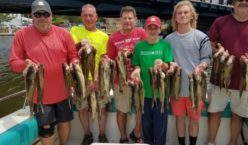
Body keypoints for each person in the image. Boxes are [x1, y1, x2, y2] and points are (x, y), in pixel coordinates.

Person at [9, 0, 79, 145]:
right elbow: (14, 64)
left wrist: (75, 64)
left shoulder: (64, 34)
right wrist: (25, 64)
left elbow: (73, 55)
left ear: (51, 15)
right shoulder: (21, 35)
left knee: (65, 122)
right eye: (38, 14)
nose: (42, 18)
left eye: (45, 14)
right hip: (39, 96)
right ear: (32, 16)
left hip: (64, 91)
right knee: (46, 130)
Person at [207, 0, 248, 145]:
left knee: (238, 115)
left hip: (246, 82)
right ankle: (211, 142)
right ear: (232, 2)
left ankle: (233, 142)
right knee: (214, 112)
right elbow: (210, 45)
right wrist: (218, 51)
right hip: (219, 78)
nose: (243, 2)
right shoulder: (220, 22)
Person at [165, 1, 212, 145]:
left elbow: (207, 58)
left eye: (186, 12)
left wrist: (201, 66)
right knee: (179, 118)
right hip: (176, 88)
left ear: (192, 15)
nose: (183, 15)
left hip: (196, 87)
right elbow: (166, 61)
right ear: (175, 17)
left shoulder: (201, 37)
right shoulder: (168, 40)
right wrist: (169, 65)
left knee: (194, 120)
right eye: (179, 13)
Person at [70, 4, 109, 144]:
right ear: (81, 16)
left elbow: (103, 58)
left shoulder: (104, 36)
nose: (88, 18)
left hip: (98, 79)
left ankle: (102, 135)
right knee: (83, 109)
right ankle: (87, 134)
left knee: (102, 109)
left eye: (91, 15)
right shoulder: (74, 30)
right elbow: (71, 51)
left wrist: (97, 79)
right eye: (85, 15)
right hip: (80, 79)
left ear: (96, 17)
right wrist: (80, 43)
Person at [131, 15, 173, 145]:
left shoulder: (165, 45)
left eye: (155, 28)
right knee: (146, 127)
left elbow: (168, 66)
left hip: (161, 95)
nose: (153, 30)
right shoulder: (139, 46)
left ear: (160, 30)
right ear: (145, 29)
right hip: (144, 94)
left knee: (160, 129)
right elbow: (136, 64)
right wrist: (137, 70)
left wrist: (163, 65)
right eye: (150, 27)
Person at [107, 6, 146, 143]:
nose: (127, 21)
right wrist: (111, 60)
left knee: (141, 110)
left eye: (130, 18)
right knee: (121, 111)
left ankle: (136, 133)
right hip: (121, 82)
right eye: (124, 18)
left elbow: (147, 53)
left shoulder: (142, 33)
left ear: (135, 19)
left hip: (139, 80)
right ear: (120, 20)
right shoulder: (113, 38)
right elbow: (110, 60)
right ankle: (123, 137)